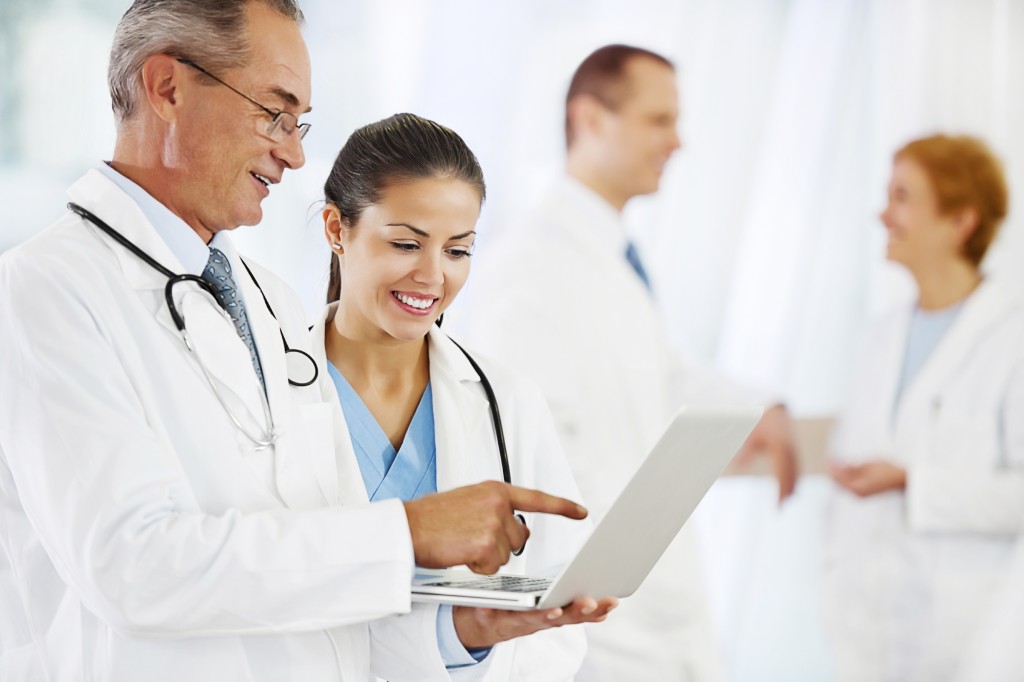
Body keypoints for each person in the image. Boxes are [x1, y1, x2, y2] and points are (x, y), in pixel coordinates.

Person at [0, 2, 591, 680]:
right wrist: (408, 532)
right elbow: (134, 567)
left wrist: (459, 636)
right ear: (167, 88)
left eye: (299, 122)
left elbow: (313, 584)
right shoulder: (43, 291)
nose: (294, 152)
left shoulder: (264, 300)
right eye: (274, 114)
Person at [452, 44, 798, 681]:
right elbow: (534, 454)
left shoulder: (611, 258)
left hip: (652, 605)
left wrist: (761, 410)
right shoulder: (531, 266)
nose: (678, 142)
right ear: (591, 119)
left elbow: (662, 375)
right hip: (608, 622)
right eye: (659, 120)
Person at [311, 112, 617, 680]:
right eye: (407, 244)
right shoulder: (267, 389)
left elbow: (556, 615)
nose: (433, 277)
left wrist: (475, 645)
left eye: (457, 250)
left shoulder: (507, 401)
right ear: (336, 229)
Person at [824, 134, 1024, 681]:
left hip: (966, 631)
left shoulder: (1012, 339)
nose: (883, 214)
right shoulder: (880, 336)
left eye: (902, 197)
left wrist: (914, 482)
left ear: (960, 220)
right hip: (868, 626)